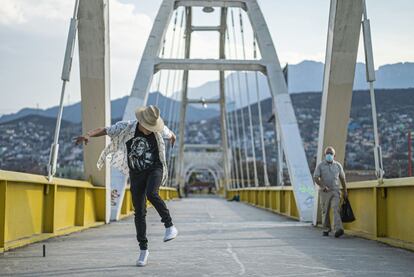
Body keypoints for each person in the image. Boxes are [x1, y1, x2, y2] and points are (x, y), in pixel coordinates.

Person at [74, 105, 178, 267]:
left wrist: (173, 137)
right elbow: (105, 129)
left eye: (153, 127)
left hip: (154, 169)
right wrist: (88, 135)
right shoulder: (127, 127)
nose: (151, 130)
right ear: (141, 122)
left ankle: (169, 225)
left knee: (152, 193)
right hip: (136, 174)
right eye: (148, 127)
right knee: (139, 213)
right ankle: (144, 250)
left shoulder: (158, 128)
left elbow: (170, 134)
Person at [313, 146, 348, 238]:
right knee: (325, 211)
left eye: (331, 153)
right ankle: (326, 229)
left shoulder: (338, 166)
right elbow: (316, 178)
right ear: (325, 155)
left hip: (335, 191)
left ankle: (338, 229)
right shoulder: (320, 166)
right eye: (328, 153)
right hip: (324, 192)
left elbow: (343, 179)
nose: (329, 155)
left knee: (335, 208)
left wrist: (345, 191)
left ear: (334, 155)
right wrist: (322, 186)